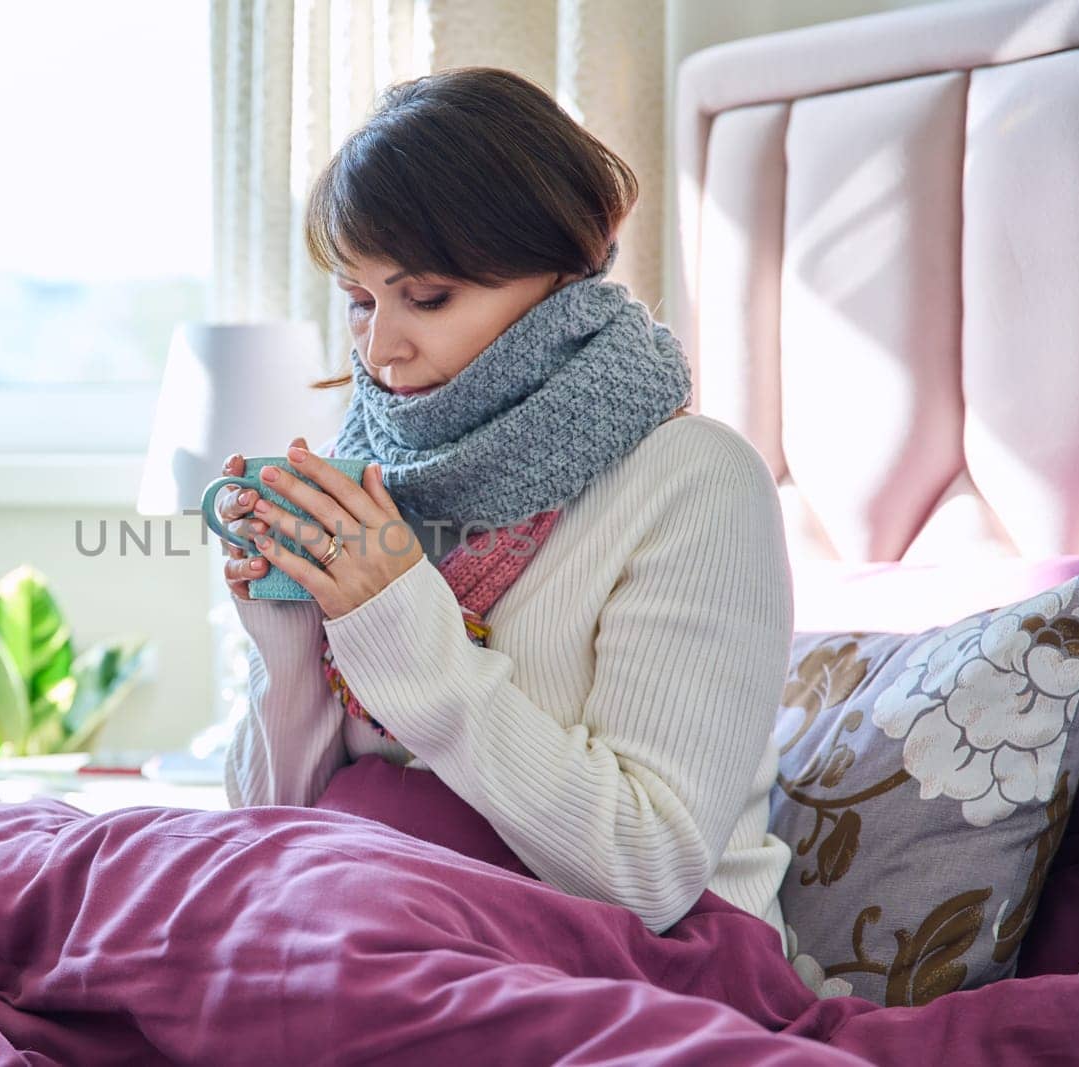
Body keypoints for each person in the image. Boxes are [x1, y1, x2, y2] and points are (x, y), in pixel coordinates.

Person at [213, 66, 796, 955]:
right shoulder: (368, 473)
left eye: (429, 296)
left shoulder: (696, 481)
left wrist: (393, 613)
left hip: (632, 967)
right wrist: (291, 640)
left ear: (562, 271)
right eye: (359, 301)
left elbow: (647, 872)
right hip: (365, 930)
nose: (381, 347)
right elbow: (267, 836)